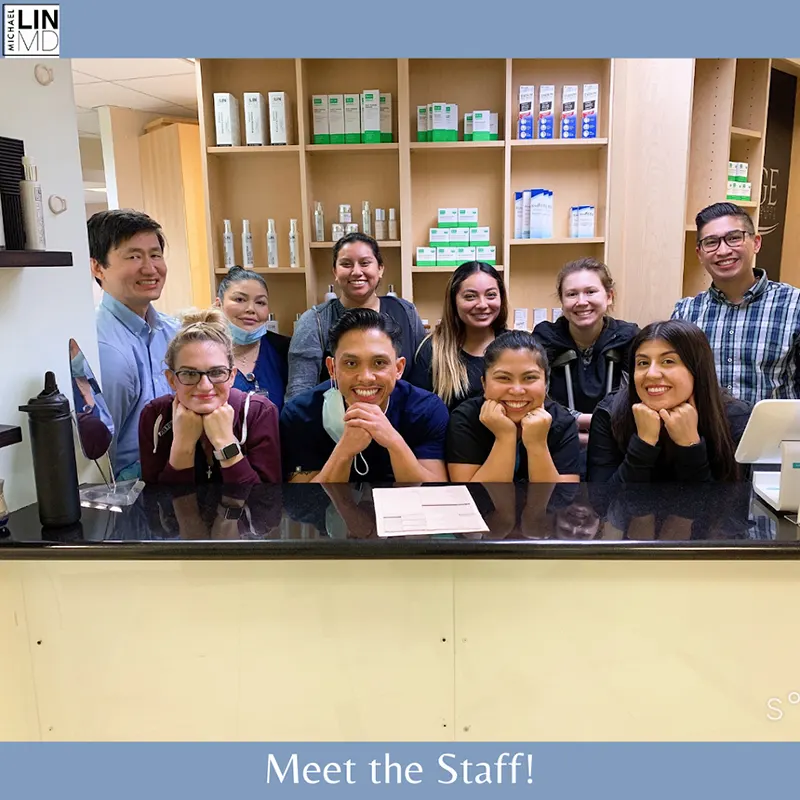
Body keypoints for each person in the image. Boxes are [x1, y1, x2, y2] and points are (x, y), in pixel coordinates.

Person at [280, 308, 449, 483]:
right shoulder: (301, 413)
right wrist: (344, 451)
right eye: (351, 363)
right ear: (332, 368)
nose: (366, 377)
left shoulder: (426, 410)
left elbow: (436, 492)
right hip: (332, 510)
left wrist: (394, 442)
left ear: (398, 368)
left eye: (379, 363)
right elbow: (303, 503)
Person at [586, 319, 752, 484]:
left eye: (668, 361)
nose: (651, 374)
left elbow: (729, 507)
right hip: (633, 511)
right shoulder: (610, 413)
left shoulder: (736, 417)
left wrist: (690, 445)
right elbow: (603, 503)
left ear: (697, 369)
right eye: (642, 363)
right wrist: (643, 443)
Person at [672, 202, 800, 404]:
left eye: (733, 238)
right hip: (705, 434)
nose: (723, 251)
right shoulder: (686, 312)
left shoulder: (794, 306)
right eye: (711, 242)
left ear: (756, 242)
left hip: (774, 433)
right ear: (700, 253)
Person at [138, 308, 281, 485]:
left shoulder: (258, 412)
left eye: (217, 372)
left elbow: (266, 504)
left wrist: (225, 443)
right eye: (190, 374)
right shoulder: (156, 416)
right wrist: (183, 446)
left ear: (232, 376)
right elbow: (158, 506)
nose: (205, 386)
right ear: (172, 380)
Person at [89, 209, 180, 480]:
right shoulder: (99, 345)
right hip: (129, 502)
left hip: (177, 485)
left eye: (155, 255)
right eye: (133, 256)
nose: (150, 268)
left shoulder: (174, 332)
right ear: (98, 267)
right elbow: (98, 459)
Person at [286, 233, 426, 400]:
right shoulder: (314, 321)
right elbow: (298, 396)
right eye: (346, 264)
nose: (356, 272)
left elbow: (423, 382)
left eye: (365, 263)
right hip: (336, 423)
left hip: (400, 422)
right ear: (335, 272)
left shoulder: (405, 311)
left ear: (380, 268)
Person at [446, 331, 581, 483]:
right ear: (484, 384)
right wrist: (505, 437)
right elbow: (470, 497)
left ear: (545, 384)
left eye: (530, 378)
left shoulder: (562, 422)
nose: (517, 390)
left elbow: (560, 501)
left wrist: (537, 443)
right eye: (503, 378)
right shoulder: (465, 418)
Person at [533, 258, 639, 444]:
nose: (581, 302)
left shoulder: (628, 338)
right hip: (559, 444)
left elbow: (635, 399)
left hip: (615, 445)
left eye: (590, 292)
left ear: (609, 296)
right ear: (562, 300)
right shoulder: (545, 339)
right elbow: (535, 399)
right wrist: (578, 422)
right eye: (572, 294)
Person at [407, 261, 509, 410]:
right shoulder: (433, 351)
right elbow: (418, 415)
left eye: (491, 295)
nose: (482, 304)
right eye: (470, 297)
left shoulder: (515, 347)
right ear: (454, 301)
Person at [215, 266, 290, 411]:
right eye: (240, 299)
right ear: (219, 305)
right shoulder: (204, 353)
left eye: (260, 302)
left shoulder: (284, 351)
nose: (251, 309)